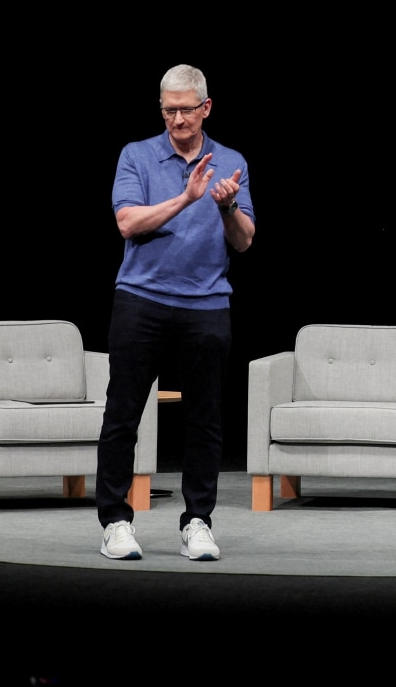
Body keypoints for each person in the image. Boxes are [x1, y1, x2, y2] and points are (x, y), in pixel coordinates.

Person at [95, 64, 255, 562]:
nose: (178, 119)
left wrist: (226, 208)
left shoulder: (230, 161)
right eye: (169, 110)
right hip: (141, 300)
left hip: (206, 304)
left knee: (205, 420)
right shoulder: (137, 155)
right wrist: (186, 198)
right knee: (123, 413)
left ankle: (198, 521)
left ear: (205, 108)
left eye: (187, 109)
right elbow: (128, 223)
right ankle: (116, 522)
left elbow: (245, 241)